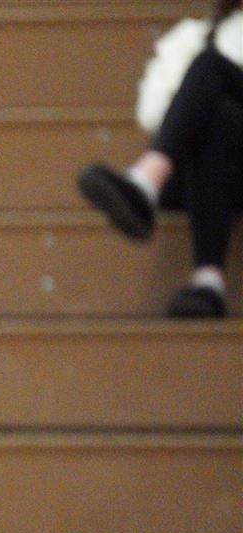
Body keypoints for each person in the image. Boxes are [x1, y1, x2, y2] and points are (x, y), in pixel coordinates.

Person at [78, 0, 243, 318]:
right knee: (220, 116)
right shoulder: (196, 35)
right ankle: (208, 282)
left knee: (212, 69)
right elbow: (150, 113)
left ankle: (144, 183)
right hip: (201, 179)